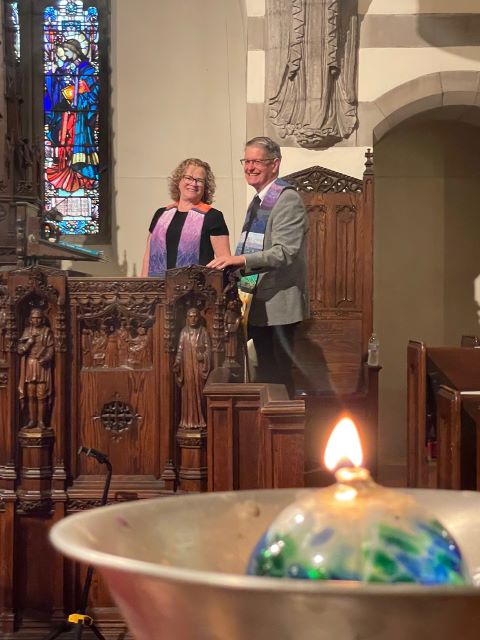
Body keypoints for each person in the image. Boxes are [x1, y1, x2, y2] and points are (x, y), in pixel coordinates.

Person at [208, 136, 309, 397]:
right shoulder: (259, 201)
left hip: (278, 305)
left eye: (257, 162)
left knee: (276, 375)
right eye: (246, 161)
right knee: (262, 372)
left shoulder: (286, 199)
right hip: (257, 301)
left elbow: (286, 252)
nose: (249, 167)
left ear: (274, 164)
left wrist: (239, 260)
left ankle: (281, 433)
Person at [141, 158, 231, 277]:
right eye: (188, 178)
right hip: (158, 290)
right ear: (178, 181)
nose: (193, 184)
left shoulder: (213, 216)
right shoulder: (161, 214)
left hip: (197, 290)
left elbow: (224, 261)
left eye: (199, 180)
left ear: (205, 187)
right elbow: (148, 257)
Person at [45, 37, 99, 193]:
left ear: (75, 51)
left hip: (82, 115)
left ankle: (86, 178)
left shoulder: (87, 69)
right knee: (67, 140)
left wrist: (78, 93)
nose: (66, 55)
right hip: (72, 113)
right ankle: (70, 171)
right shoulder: (73, 69)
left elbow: (93, 93)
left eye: (67, 51)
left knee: (82, 144)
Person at [173, 308, 211, 429]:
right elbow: (179, 350)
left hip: (199, 368)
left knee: (199, 394)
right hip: (187, 367)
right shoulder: (183, 332)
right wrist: (177, 363)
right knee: (188, 394)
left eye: (195, 316)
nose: (193, 318)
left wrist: (203, 356)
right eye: (190, 316)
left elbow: (209, 350)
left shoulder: (203, 331)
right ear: (187, 318)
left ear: (198, 318)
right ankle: (187, 421)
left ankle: (201, 420)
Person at [17, 308, 55, 429]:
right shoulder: (27, 331)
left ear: (42, 319)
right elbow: (20, 350)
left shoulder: (46, 331)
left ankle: (41, 421)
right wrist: (29, 343)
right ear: (31, 319)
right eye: (34, 318)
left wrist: (46, 358)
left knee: (41, 394)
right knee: (31, 394)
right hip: (30, 364)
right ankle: (32, 420)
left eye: (38, 318)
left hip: (41, 365)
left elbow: (51, 348)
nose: (36, 320)